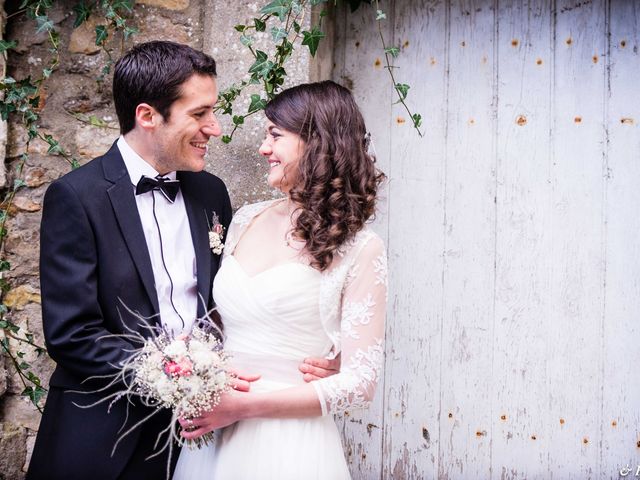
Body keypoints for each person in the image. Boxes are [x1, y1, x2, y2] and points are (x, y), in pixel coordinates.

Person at [27, 41, 335, 480]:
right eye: (199, 113)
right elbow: (72, 334)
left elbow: (240, 300)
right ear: (148, 116)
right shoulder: (76, 197)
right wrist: (178, 377)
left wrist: (316, 357)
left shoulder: (211, 193)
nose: (215, 127)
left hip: (211, 438)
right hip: (105, 438)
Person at [173, 80, 388, 480]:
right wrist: (193, 366)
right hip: (215, 440)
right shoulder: (243, 220)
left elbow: (361, 383)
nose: (263, 148)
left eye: (275, 135)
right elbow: (219, 322)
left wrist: (243, 406)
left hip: (290, 444)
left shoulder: (361, 248)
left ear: (317, 142)